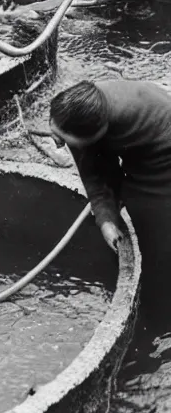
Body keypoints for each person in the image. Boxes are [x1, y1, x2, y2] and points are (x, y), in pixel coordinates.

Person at [49, 79, 171, 304]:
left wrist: (111, 212)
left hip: (163, 155)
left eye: (64, 140)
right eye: (54, 129)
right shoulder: (81, 109)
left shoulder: (138, 122)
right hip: (146, 133)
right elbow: (96, 174)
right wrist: (106, 220)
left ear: (100, 135)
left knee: (154, 229)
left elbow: (96, 174)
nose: (57, 143)